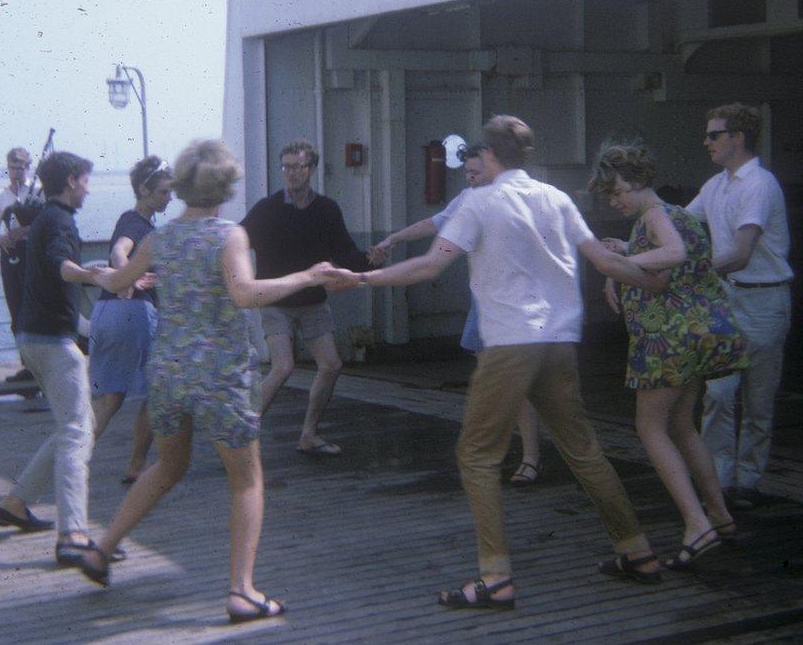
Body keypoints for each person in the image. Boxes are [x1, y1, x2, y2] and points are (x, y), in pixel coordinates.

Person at [337, 116, 664, 610]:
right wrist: (659, 282)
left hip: (509, 345)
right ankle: (638, 552)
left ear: (489, 155)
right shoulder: (557, 199)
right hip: (558, 341)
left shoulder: (478, 202)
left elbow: (430, 265)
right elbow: (607, 261)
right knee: (584, 451)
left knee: (476, 456)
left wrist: (359, 281)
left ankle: (495, 578)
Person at [78, 140, 342, 622]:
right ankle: (241, 591)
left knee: (168, 466)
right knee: (246, 481)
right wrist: (307, 276)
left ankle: (101, 551)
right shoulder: (229, 235)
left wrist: (84, 271)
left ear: (180, 186)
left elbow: (117, 282)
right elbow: (244, 294)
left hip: (169, 372)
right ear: (225, 187)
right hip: (220, 374)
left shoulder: (161, 238)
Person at [0, 151, 151, 568]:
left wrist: (92, 267)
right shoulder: (59, 219)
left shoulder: (46, 217)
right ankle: (73, 535)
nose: (89, 188)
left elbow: (58, 266)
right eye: (86, 180)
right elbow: (62, 269)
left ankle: (15, 502)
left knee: (69, 427)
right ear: (73, 180)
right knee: (80, 430)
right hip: (51, 342)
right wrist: (98, 276)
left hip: (33, 338)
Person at [590, 140, 747, 568]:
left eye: (619, 190)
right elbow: (677, 257)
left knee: (650, 429)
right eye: (609, 194)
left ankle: (696, 523)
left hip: (667, 341)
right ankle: (718, 513)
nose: (614, 199)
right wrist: (629, 252)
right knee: (682, 425)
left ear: (639, 181)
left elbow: (671, 256)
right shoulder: (679, 214)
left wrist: (613, 263)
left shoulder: (655, 216)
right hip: (697, 336)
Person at [370, 142, 543, 486]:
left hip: (513, 305)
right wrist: (393, 239)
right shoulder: (467, 199)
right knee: (491, 381)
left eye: (477, 173)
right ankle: (495, 450)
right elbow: (434, 223)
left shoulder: (516, 200)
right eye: (467, 173)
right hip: (484, 303)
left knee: (518, 385)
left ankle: (532, 456)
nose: (472, 179)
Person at [687, 103, 793, 511]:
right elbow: (680, 221)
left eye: (714, 135)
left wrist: (686, 270)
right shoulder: (717, 185)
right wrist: (632, 245)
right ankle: (718, 479)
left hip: (764, 297)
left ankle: (748, 480)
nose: (706, 141)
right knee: (718, 393)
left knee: (758, 400)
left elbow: (742, 253)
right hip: (727, 296)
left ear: (738, 139)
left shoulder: (759, 185)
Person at [241, 139, 374, 456]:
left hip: (312, 300)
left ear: (311, 169)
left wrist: (371, 260)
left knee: (331, 365)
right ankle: (240, 435)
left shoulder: (327, 209)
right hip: (276, 300)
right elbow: (238, 240)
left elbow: (344, 251)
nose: (292, 173)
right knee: (283, 367)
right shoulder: (267, 209)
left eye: (298, 167)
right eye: (286, 167)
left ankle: (309, 435)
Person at [89, 156, 172, 484]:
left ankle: (73, 458)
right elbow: (119, 253)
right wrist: (129, 279)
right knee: (157, 392)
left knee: (110, 397)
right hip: (133, 312)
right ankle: (137, 464)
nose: (169, 198)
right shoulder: (135, 223)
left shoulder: (137, 223)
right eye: (164, 192)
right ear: (144, 190)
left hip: (107, 311)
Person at [0, 148, 35, 383]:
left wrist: (23, 231)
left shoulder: (37, 193)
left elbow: (43, 224)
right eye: (13, 167)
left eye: (21, 167)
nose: (17, 172)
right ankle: (25, 364)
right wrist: (3, 239)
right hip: (10, 256)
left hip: (32, 255)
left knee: (32, 309)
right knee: (15, 309)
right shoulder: (0, 197)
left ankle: (38, 365)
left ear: (28, 168)